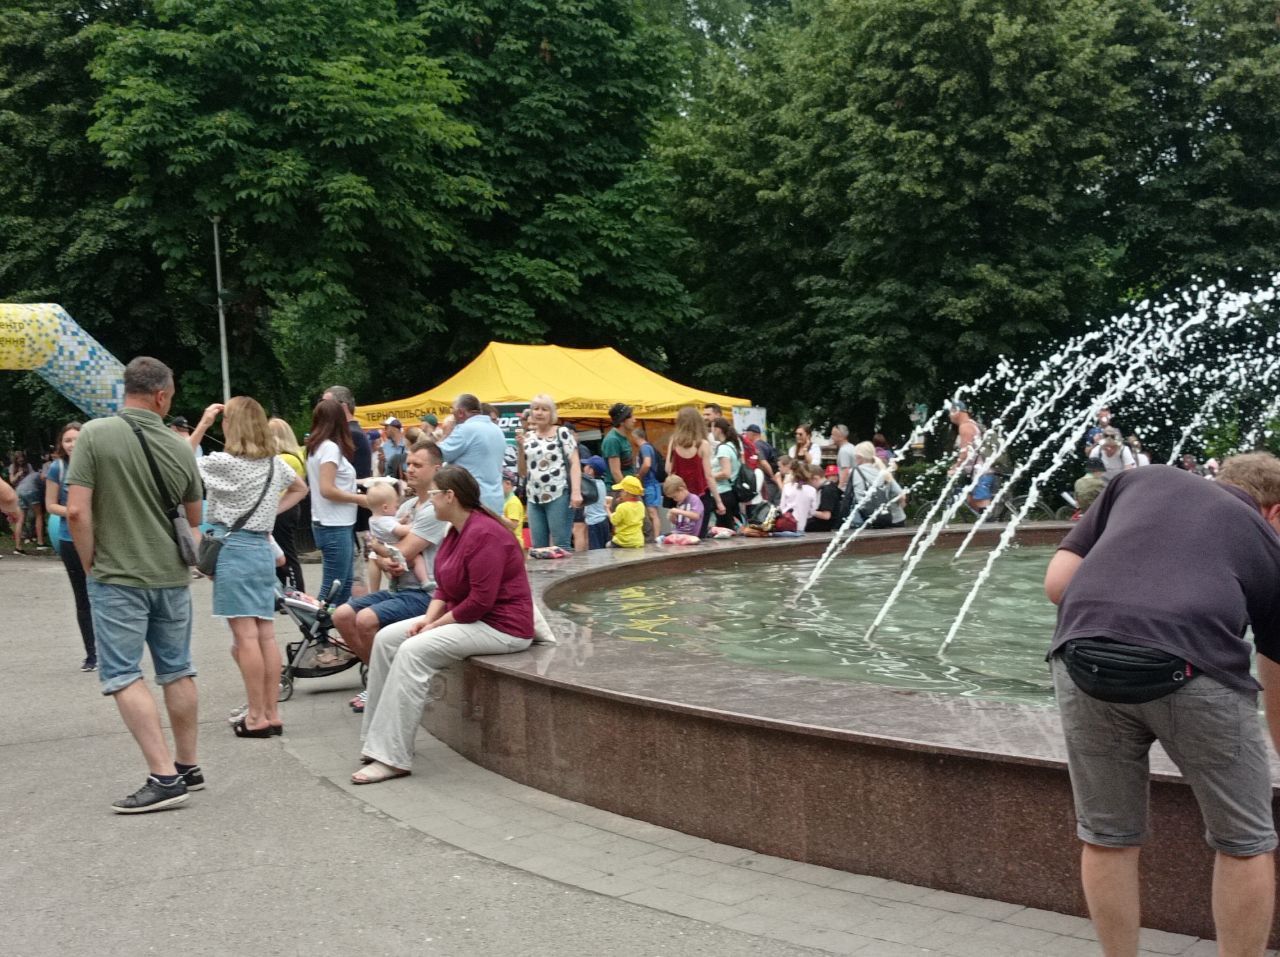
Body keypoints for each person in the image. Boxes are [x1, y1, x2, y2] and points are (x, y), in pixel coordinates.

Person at [1043, 453, 1280, 956]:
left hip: (1082, 660)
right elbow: (1276, 669)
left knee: (1107, 835)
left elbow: (1057, 585)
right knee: (1246, 842)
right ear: (1275, 511)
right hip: (1193, 671)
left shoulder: (1138, 480)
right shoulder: (1265, 538)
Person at [66, 356, 204, 813]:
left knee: (124, 674)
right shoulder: (180, 446)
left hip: (118, 575)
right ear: (161, 396)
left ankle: (163, 777)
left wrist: (90, 565)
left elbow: (77, 512)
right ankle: (188, 765)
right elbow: (195, 519)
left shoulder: (94, 434)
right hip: (171, 576)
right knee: (178, 669)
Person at [353, 466, 535, 784]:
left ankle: (393, 757)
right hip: (472, 617)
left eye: (434, 495)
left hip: (502, 627)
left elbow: (480, 602)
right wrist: (428, 618)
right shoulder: (454, 531)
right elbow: (444, 587)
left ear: (450, 496)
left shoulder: (485, 534)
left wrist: (434, 625)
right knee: (386, 639)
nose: (429, 501)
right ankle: (375, 740)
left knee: (412, 651)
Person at [194, 398, 307, 737]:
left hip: (234, 550)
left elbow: (178, 461)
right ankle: (272, 713)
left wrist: (203, 424)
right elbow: (301, 488)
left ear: (232, 425)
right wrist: (269, 512)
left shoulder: (223, 463)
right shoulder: (274, 464)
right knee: (266, 636)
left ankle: (256, 716)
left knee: (245, 637)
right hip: (261, 549)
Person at [331, 441, 447, 700]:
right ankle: (381, 680)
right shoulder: (404, 508)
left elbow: (403, 551)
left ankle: (383, 687)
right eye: (409, 464)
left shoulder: (436, 508)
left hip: (427, 593)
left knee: (365, 619)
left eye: (418, 464)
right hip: (400, 589)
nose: (410, 469)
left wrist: (381, 552)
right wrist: (384, 561)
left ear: (437, 469)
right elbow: (385, 558)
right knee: (341, 615)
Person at [44, 421, 97, 670]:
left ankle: (112, 649)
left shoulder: (97, 464)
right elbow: (50, 505)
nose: (72, 444)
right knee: (82, 597)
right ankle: (91, 654)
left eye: (77, 439)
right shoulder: (58, 468)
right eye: (67, 440)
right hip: (69, 539)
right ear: (61, 444)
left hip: (99, 538)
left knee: (106, 594)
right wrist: (74, 512)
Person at [306, 398, 367, 606]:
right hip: (334, 524)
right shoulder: (330, 448)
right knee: (333, 587)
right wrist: (360, 499)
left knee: (343, 584)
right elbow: (327, 489)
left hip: (332, 522)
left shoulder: (316, 447)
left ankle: (330, 622)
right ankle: (317, 623)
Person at [322, 385, 373, 596]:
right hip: (347, 514)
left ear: (342, 407)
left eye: (326, 403)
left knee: (353, 574)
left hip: (351, 516)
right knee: (347, 575)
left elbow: (355, 479)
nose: (321, 409)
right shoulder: (348, 435)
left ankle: (356, 612)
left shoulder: (352, 435)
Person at [515, 394, 581, 549]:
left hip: (558, 494)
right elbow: (523, 472)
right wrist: (521, 448)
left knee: (561, 545)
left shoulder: (562, 432)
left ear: (552, 413)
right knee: (538, 547)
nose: (539, 413)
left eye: (544, 409)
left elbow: (575, 463)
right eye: (536, 409)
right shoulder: (528, 436)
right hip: (534, 497)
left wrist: (576, 492)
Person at [438, 393, 506, 513]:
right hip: (495, 499)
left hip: (472, 501)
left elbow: (437, 455)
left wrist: (446, 434)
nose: (453, 416)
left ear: (460, 412)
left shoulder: (465, 429)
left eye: (453, 411)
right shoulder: (497, 430)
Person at [666, 406, 723, 537]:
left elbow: (668, 469)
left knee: (681, 533)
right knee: (699, 535)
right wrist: (719, 501)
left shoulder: (674, 441)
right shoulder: (702, 444)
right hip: (700, 495)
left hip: (679, 495)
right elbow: (708, 476)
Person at [267, 417, 307, 593]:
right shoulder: (295, 456)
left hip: (283, 509)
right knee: (284, 551)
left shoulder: (283, 459)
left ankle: (295, 590)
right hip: (288, 508)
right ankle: (290, 589)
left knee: (285, 553)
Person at [365, 482, 431, 585]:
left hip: (388, 550)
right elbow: (400, 530)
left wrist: (401, 520)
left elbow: (392, 525)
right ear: (385, 508)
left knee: (376, 559)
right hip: (395, 550)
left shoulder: (374, 519)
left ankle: (393, 584)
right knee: (417, 559)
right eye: (395, 505)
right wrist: (413, 525)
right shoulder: (385, 520)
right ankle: (425, 581)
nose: (397, 506)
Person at [848, 441, 907, 528]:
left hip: (867, 520)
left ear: (860, 457)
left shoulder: (855, 471)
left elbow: (857, 498)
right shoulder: (883, 470)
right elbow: (901, 495)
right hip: (892, 518)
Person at [10, 451, 47, 553]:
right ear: (15, 460)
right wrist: (18, 475)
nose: (21, 460)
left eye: (22, 458)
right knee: (39, 515)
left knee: (21, 518)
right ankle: (40, 543)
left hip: (20, 491)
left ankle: (18, 548)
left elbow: (32, 476)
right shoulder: (12, 467)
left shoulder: (28, 466)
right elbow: (12, 480)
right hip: (29, 489)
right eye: (19, 458)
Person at [710, 417, 744, 529]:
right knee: (728, 528)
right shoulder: (732, 446)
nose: (711, 431)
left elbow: (726, 473)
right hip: (730, 492)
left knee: (724, 529)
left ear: (718, 429)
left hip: (722, 492)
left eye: (712, 428)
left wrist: (709, 477)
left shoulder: (723, 448)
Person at [634, 428, 662, 542]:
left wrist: (639, 476)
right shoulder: (650, 447)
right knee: (654, 512)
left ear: (635, 437)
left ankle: (656, 538)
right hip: (653, 483)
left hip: (649, 483)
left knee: (652, 513)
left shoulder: (644, 448)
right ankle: (657, 537)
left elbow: (647, 464)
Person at [660, 475, 704, 545]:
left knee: (665, 539)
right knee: (660, 539)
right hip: (679, 533)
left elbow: (696, 516)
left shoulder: (694, 499)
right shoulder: (680, 503)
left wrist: (678, 511)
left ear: (681, 489)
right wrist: (672, 516)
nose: (674, 499)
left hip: (690, 534)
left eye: (675, 497)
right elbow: (677, 523)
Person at [580, 456, 611, 550]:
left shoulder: (590, 486)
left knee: (595, 551)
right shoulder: (601, 483)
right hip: (603, 520)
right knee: (604, 549)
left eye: (586, 466)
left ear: (591, 470)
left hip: (594, 522)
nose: (584, 467)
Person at [778, 461, 818, 531]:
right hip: (801, 526)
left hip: (786, 524)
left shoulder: (787, 487)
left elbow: (782, 507)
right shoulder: (812, 490)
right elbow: (812, 512)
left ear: (792, 472)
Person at [602, 403, 638, 483]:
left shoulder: (623, 437)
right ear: (622, 421)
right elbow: (616, 472)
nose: (634, 420)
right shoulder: (613, 440)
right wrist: (625, 489)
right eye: (631, 417)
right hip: (618, 489)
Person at [607, 475, 645, 548]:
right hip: (637, 541)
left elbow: (614, 521)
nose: (620, 493)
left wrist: (607, 509)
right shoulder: (641, 505)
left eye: (621, 491)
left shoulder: (622, 507)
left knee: (608, 545)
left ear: (626, 493)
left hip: (623, 541)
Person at [805, 465, 844, 533]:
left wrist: (808, 510)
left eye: (808, 482)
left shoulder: (827, 490)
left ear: (815, 478)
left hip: (823, 526)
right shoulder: (827, 488)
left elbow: (826, 515)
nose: (807, 485)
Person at [501, 469, 526, 550]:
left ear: (508, 484)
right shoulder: (505, 500)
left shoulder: (513, 502)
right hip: (506, 542)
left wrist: (496, 515)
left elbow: (513, 524)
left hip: (514, 544)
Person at [831, 425, 855, 490]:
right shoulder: (852, 447)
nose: (831, 437)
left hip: (847, 488)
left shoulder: (843, 451)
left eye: (833, 435)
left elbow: (845, 470)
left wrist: (840, 487)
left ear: (841, 436)